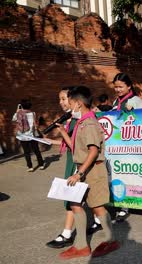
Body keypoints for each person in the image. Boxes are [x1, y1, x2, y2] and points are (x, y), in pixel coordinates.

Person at [55, 86, 119, 259]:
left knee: (97, 207)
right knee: (75, 204)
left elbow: (92, 151)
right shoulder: (82, 122)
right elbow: (76, 148)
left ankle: (111, 240)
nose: (67, 105)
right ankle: (82, 245)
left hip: (92, 170)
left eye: (69, 101)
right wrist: (62, 131)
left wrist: (79, 174)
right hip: (83, 168)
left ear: (77, 103)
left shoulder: (89, 123)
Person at [44, 87, 79, 248]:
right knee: (78, 198)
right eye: (60, 99)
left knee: (72, 197)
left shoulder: (81, 119)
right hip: (71, 160)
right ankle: (101, 222)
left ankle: (67, 234)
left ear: (73, 99)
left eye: (64, 99)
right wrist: (51, 142)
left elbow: (77, 146)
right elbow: (68, 143)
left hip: (79, 162)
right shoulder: (68, 118)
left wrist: (62, 131)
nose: (61, 102)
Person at [111, 73, 142, 222]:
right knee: (119, 174)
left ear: (129, 86)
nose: (118, 89)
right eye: (115, 87)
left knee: (130, 174)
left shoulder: (136, 101)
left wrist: (133, 112)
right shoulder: (115, 102)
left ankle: (128, 205)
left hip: (132, 145)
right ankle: (122, 203)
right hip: (117, 144)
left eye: (121, 86)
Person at [12, 99, 45, 172]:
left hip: (22, 136)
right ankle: (41, 164)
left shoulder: (18, 114)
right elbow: (35, 123)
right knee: (36, 150)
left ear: (21, 106)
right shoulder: (33, 113)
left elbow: (13, 120)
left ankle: (30, 167)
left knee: (26, 152)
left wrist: (17, 110)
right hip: (32, 135)